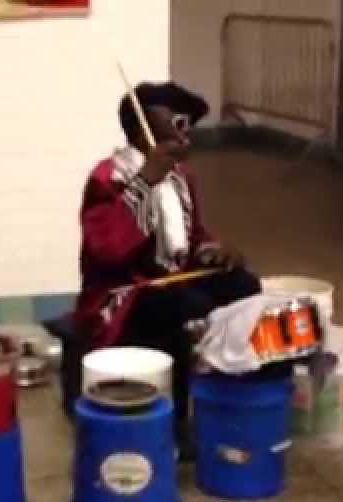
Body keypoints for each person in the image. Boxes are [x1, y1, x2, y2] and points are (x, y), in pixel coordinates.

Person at [75, 82, 263, 452]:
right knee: (177, 308)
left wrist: (215, 251)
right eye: (177, 120)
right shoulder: (107, 177)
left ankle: (231, 396)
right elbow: (108, 250)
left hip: (172, 280)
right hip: (122, 293)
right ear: (142, 125)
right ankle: (171, 421)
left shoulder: (181, 177)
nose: (185, 130)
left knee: (244, 286)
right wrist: (145, 181)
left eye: (188, 123)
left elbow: (192, 239)